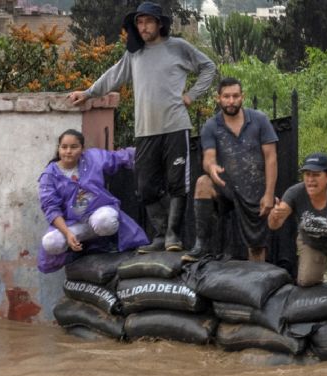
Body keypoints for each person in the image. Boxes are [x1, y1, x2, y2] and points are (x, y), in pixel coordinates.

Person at [68, 1, 216, 254]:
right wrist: (89, 92)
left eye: (148, 21)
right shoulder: (134, 54)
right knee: (145, 186)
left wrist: (191, 95)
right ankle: (159, 234)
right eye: (139, 21)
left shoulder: (177, 47)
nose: (143, 26)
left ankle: (173, 235)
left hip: (175, 126)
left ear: (159, 24)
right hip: (145, 130)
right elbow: (113, 76)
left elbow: (208, 67)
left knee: (177, 183)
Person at [182, 77, 278, 263]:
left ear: (243, 97)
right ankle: (201, 245)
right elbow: (208, 158)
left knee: (257, 250)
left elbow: (271, 158)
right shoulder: (211, 126)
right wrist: (212, 167)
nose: (231, 101)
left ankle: (256, 282)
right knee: (203, 182)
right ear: (218, 98)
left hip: (255, 191)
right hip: (225, 186)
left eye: (235, 96)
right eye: (226, 96)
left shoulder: (260, 120)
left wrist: (269, 194)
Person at [37, 129, 149, 273]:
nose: (68, 151)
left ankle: (106, 243)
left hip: (99, 213)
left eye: (74, 147)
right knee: (51, 243)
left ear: (82, 149)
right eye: (64, 147)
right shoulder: (49, 175)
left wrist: (148, 150)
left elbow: (119, 157)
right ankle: (81, 251)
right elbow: (51, 209)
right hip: (73, 224)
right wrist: (68, 234)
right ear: (58, 149)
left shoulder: (93, 158)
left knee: (105, 221)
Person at [268, 153, 327, 289]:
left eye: (316, 175)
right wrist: (274, 215)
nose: (310, 180)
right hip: (311, 241)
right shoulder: (294, 193)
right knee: (306, 282)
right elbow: (274, 225)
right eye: (307, 174)